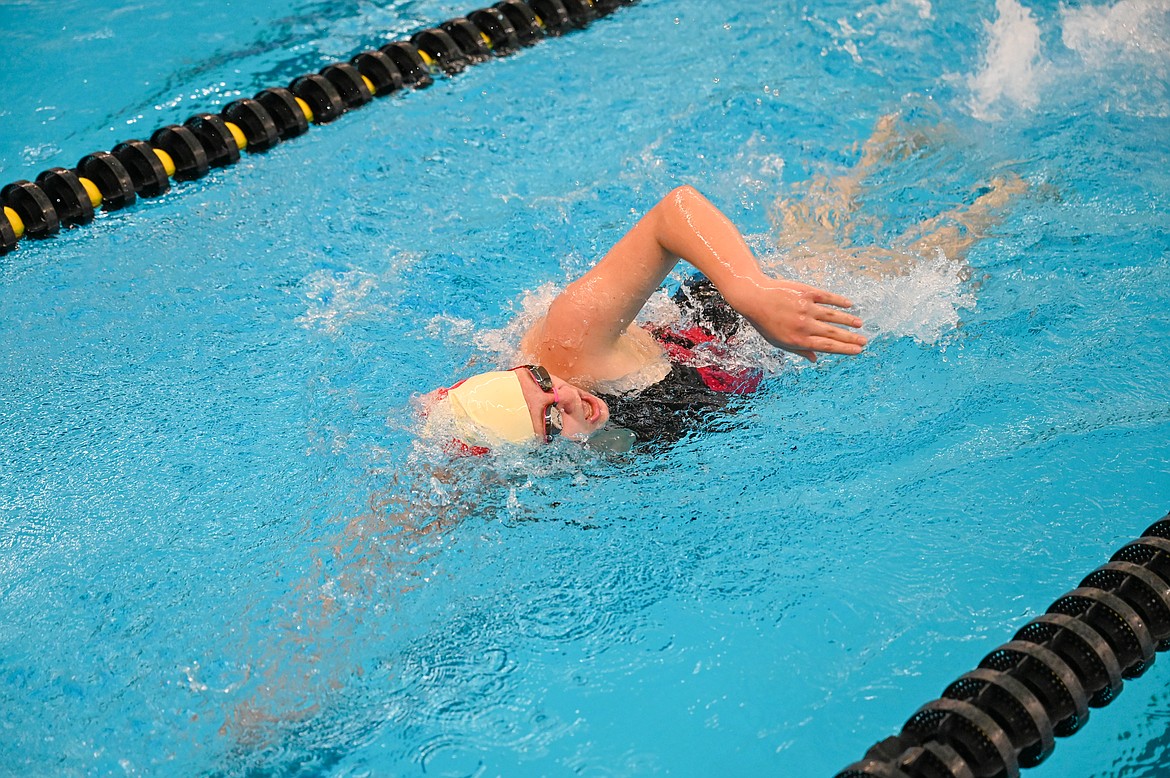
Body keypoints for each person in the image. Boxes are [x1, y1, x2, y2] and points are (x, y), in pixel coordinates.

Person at [424, 117, 1024, 452]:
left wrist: (752, 292)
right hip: (732, 364)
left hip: (732, 327)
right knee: (826, 223)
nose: (567, 398)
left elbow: (674, 211)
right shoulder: (551, 468)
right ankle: (887, 147)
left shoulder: (568, 344)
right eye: (549, 421)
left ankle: (1014, 176)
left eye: (542, 386)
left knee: (946, 264)